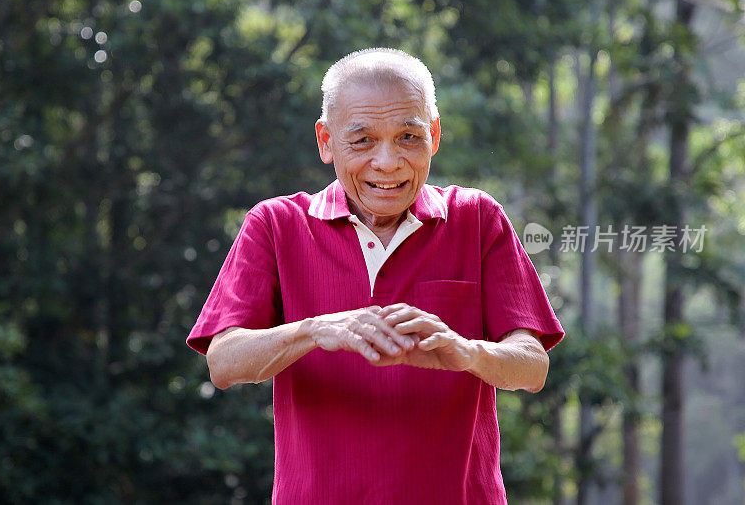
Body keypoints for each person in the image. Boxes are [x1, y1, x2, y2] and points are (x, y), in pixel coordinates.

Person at [187, 48, 564, 504]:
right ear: (326, 141)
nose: (387, 162)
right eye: (362, 140)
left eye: (408, 136)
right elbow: (223, 362)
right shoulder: (276, 224)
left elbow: (532, 365)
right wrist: (316, 330)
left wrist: (466, 352)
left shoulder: (477, 218)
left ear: (435, 134)